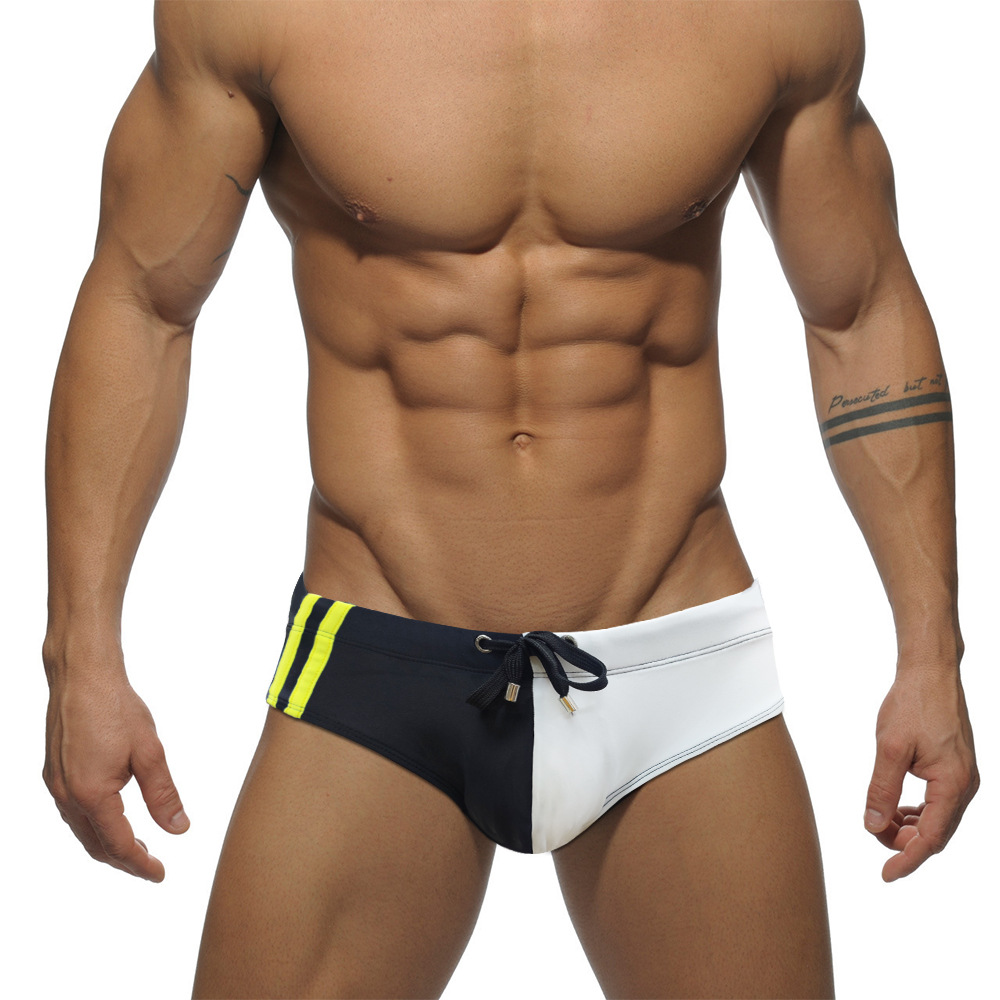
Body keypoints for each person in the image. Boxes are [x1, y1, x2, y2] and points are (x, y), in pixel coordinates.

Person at [41, 1, 978, 997]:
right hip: (381, 659)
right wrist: (81, 655)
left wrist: (932, 653)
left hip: (676, 663)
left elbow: (857, 310)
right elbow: (144, 302)